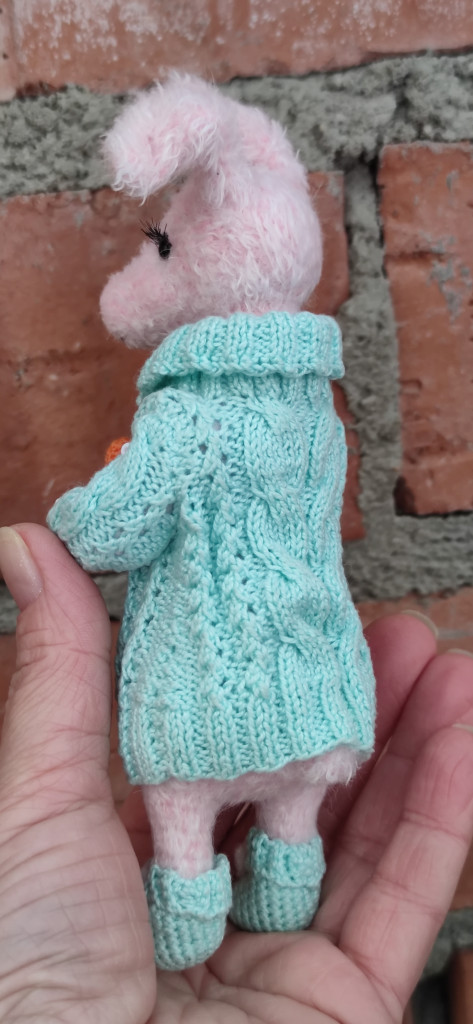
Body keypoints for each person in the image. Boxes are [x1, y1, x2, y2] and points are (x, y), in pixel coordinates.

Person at [0, 523, 472, 1024]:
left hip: (198, 717)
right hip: (308, 709)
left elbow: (106, 532)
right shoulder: (319, 471)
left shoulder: (178, 466)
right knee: (293, 817)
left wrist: (73, 519)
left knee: (182, 821)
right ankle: (284, 896)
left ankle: (186, 924)